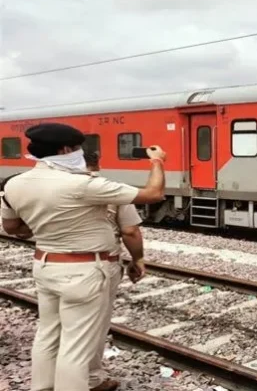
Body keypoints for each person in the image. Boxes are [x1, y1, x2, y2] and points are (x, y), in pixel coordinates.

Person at [1, 123, 167, 391]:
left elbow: (11, 228)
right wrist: (157, 161)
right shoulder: (83, 184)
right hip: (85, 271)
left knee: (47, 335)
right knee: (76, 346)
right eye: (78, 148)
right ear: (66, 150)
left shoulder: (15, 184)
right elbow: (154, 194)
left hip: (45, 265)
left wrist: (49, 224)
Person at [83, 151, 146, 389]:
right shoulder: (110, 189)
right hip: (97, 265)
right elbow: (130, 231)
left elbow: (16, 228)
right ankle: (90, 380)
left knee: (52, 330)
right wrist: (137, 259)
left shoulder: (41, 188)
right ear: (97, 163)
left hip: (49, 264)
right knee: (93, 326)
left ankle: (47, 382)